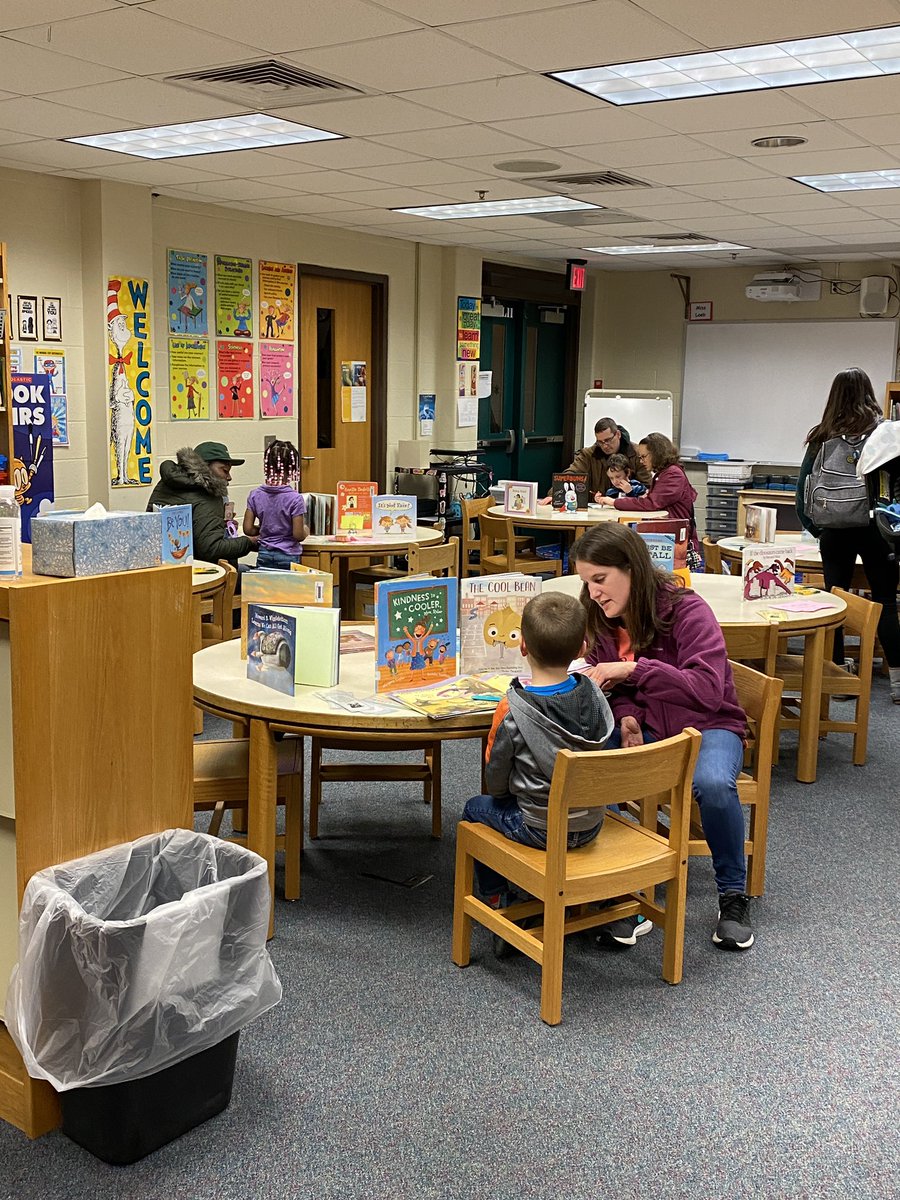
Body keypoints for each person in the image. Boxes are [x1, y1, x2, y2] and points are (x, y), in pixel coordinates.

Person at [573, 523, 754, 951]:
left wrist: (634, 670)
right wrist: (628, 718)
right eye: (587, 582)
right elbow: (612, 692)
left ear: (632, 568)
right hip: (652, 726)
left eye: (600, 579)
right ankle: (625, 894)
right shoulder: (601, 618)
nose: (594, 593)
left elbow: (708, 690)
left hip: (710, 723)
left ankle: (732, 894)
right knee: (596, 763)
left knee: (712, 783)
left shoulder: (688, 611)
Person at [462, 592, 614, 912]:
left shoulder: (512, 709)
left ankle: (497, 898)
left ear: (523, 646)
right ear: (582, 649)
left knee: (475, 809)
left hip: (537, 828)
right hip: (592, 823)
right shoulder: (596, 696)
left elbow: (497, 780)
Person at [796, 367, 900, 702]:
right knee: (884, 601)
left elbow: (802, 495)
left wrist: (820, 527)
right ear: (869, 393)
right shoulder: (887, 434)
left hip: (834, 531)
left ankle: (839, 676)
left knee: (834, 601)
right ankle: (898, 681)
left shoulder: (821, 435)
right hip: (877, 529)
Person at [147, 441, 257, 564]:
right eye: (224, 470)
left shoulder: (167, 483)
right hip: (199, 573)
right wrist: (249, 542)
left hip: (160, 567)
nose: (229, 477)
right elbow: (211, 548)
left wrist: (221, 526)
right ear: (205, 467)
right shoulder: (208, 494)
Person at [595, 432, 701, 558]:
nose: (641, 461)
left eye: (644, 456)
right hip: (669, 535)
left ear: (656, 454)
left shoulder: (672, 474)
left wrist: (613, 502)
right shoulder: (665, 473)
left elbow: (652, 503)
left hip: (675, 540)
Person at [538, 418, 650, 505]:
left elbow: (647, 487)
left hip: (628, 512)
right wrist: (556, 494)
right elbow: (570, 474)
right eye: (600, 442)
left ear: (618, 434)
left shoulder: (636, 453)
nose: (605, 445)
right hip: (597, 511)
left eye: (608, 440)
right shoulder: (589, 454)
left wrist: (631, 492)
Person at [243, 440, 308, 570]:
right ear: (293, 469)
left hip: (264, 553)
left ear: (266, 467)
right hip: (288, 555)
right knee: (287, 589)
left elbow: (248, 529)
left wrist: (266, 529)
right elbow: (298, 535)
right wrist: (305, 530)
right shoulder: (295, 499)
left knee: (266, 588)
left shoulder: (255, 495)